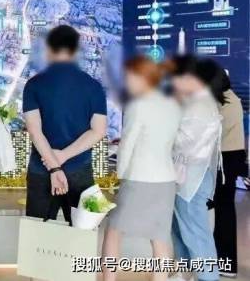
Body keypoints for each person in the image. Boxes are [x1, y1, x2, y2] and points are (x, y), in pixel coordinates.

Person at [101, 56, 180, 281]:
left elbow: (127, 144)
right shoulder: (173, 104)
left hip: (139, 179)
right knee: (160, 238)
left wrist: (120, 176)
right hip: (166, 180)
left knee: (114, 231)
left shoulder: (138, 104)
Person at [22, 25, 107, 220]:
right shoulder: (94, 86)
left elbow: (35, 132)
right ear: (76, 50)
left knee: (37, 232)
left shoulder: (34, 84)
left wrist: (54, 166)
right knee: (84, 229)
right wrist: (62, 157)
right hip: (81, 170)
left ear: (49, 49)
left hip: (41, 169)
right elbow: (99, 131)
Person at [167, 56, 224, 281]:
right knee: (182, 231)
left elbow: (182, 142)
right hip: (188, 176)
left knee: (196, 236)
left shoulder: (198, 105)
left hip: (190, 178)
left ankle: (207, 277)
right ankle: (185, 275)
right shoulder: (200, 102)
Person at [210, 72, 247, 278]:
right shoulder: (231, 98)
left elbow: (214, 132)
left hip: (225, 161)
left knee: (223, 211)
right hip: (229, 160)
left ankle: (225, 262)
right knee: (223, 210)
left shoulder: (227, 102)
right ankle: (222, 260)